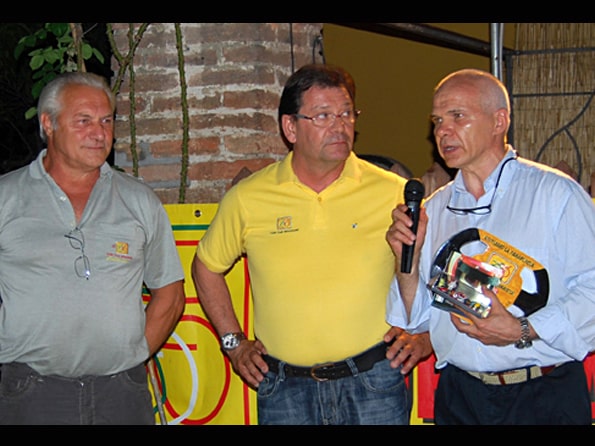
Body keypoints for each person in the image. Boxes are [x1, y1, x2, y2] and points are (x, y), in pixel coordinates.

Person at [191, 63, 432, 425]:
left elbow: (435, 274)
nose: (340, 126)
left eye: (347, 113)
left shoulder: (393, 192)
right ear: (290, 127)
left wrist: (426, 335)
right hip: (284, 389)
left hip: (374, 383)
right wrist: (234, 344)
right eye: (323, 116)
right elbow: (206, 267)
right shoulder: (249, 198)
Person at [386, 68, 595, 425]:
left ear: (499, 122)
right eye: (437, 120)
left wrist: (522, 330)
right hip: (460, 395)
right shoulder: (434, 209)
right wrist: (408, 258)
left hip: (543, 394)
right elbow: (417, 319)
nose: (443, 131)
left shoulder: (554, 194)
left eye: (458, 116)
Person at [0, 72, 186, 425]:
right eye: (83, 121)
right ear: (49, 123)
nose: (99, 133)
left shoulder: (139, 200)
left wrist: (132, 357)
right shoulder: (6, 198)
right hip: (31, 395)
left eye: (106, 121)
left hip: (122, 395)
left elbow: (171, 294)